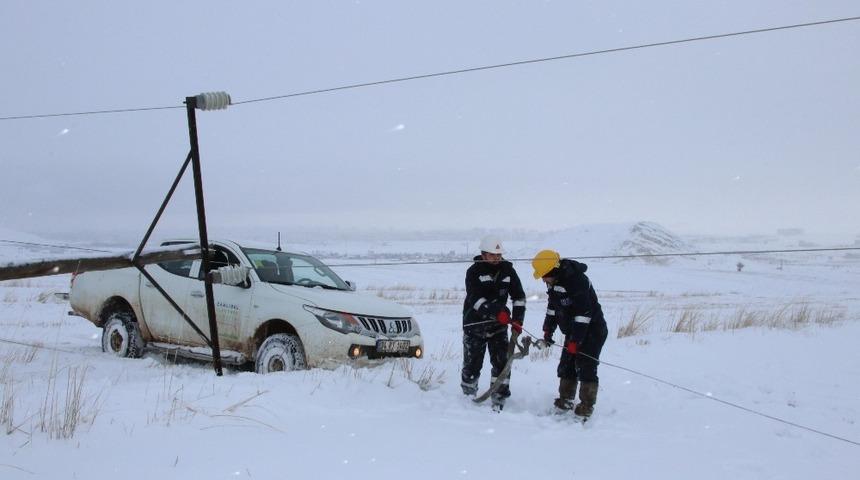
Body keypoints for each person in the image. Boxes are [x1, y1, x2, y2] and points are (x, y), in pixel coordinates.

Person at [532, 249, 608, 417]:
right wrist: (548, 331)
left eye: (544, 275)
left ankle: (586, 407)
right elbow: (553, 308)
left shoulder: (577, 281)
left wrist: (575, 341)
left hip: (593, 330)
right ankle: (565, 400)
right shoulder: (554, 282)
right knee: (567, 366)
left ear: (553, 270)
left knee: (586, 367)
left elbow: (584, 314)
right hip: (574, 331)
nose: (543, 279)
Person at [461, 235, 526, 410]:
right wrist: (496, 312)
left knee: (502, 364)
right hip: (475, 325)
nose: (496, 258)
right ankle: (467, 397)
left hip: (499, 327)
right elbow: (475, 300)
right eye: (492, 255)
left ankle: (499, 398)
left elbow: (519, 298)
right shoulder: (473, 272)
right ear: (483, 255)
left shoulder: (508, 271)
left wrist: (518, 321)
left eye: (498, 254)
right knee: (472, 364)